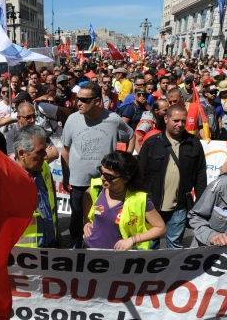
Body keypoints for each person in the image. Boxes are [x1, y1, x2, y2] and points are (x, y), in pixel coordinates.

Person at [61, 82, 135, 248]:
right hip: (79, 179)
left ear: (96, 101)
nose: (78, 103)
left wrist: (125, 163)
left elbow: (131, 136)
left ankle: (101, 244)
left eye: (83, 100)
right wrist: (66, 175)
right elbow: (65, 150)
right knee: (78, 214)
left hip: (106, 181)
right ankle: (76, 240)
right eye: (77, 99)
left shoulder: (113, 119)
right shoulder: (72, 119)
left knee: (104, 215)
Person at [10, 124, 59, 320]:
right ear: (22, 153)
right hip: (21, 249)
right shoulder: (8, 176)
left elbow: (50, 202)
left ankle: (40, 319)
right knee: (19, 293)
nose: (45, 155)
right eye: (39, 152)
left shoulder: (44, 167)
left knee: (42, 288)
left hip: (47, 241)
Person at [139, 104, 207, 249]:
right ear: (166, 118)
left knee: (175, 245)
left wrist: (200, 203)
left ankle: (172, 272)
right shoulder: (151, 143)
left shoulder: (194, 144)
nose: (180, 124)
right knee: (149, 245)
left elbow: (200, 175)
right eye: (176, 120)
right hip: (152, 206)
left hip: (179, 206)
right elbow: (140, 174)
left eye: (183, 121)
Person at [82, 151, 166, 250]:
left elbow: (160, 228)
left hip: (118, 256)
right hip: (89, 247)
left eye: (109, 176)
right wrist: (87, 222)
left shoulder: (140, 200)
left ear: (125, 178)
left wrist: (132, 240)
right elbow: (87, 197)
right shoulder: (97, 187)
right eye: (101, 172)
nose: (102, 178)